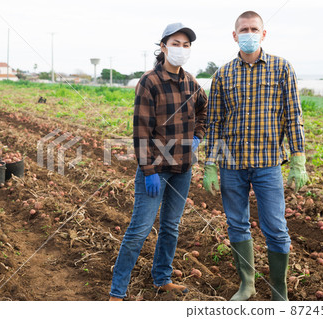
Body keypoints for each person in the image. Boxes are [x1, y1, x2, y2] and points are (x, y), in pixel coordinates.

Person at [203, 11, 309, 301]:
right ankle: (247, 284)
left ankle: (279, 290)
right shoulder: (222, 74)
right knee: (236, 224)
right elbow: (214, 123)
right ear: (235, 35)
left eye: (254, 29)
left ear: (263, 34)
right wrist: (210, 165)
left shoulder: (281, 68)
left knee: (275, 227)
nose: (248, 33)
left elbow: (293, 117)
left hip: (268, 164)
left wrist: (298, 159)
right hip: (231, 166)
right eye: (243, 29)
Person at [109, 22, 208, 301]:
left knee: (171, 227)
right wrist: (148, 170)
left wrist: (197, 136)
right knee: (139, 230)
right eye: (175, 44)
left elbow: (205, 110)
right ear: (163, 47)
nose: (181, 49)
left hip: (182, 169)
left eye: (186, 45)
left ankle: (162, 278)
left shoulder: (190, 82)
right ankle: (117, 292)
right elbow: (141, 130)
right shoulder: (149, 82)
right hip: (155, 170)